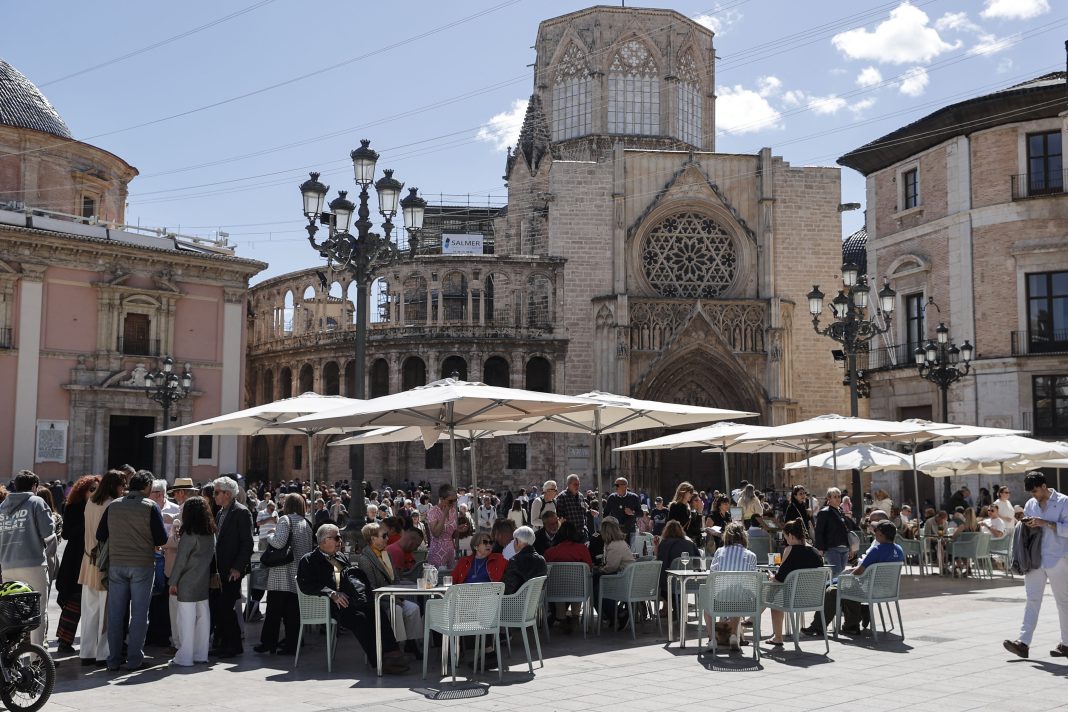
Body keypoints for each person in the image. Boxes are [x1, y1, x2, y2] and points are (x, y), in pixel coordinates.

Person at [296, 524, 409, 674]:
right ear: (323, 540)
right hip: (331, 605)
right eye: (336, 538)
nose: (340, 541)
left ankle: (392, 653)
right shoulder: (309, 560)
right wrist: (331, 593)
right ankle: (379, 661)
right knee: (360, 619)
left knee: (376, 610)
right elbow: (306, 585)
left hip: (352, 599)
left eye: (340, 538)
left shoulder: (341, 556)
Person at [96, 469, 167, 671]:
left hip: (117, 565)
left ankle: (113, 659)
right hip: (142, 565)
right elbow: (161, 538)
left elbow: (101, 534)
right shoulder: (150, 506)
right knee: (139, 614)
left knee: (115, 614)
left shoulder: (114, 505)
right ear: (147, 486)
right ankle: (134, 659)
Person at [1003, 471, 1068, 660]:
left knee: (1063, 602)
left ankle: (1066, 644)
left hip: (1058, 557)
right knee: (1032, 599)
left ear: (1043, 486)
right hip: (1034, 558)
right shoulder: (1031, 504)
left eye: (1035, 491)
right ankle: (1023, 643)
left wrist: (1046, 523)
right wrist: (1027, 523)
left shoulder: (1064, 501)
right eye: (1031, 492)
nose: (1033, 495)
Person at [0, 469, 56, 648]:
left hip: (7, 565)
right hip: (33, 564)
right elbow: (48, 533)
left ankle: (12, 656)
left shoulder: (2, 506)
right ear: (34, 486)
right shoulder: (36, 502)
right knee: (38, 610)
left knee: (13, 612)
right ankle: (36, 657)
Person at [255, 493, 314, 655]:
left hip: (281, 573)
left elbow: (279, 542)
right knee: (292, 613)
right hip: (298, 574)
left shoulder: (285, 520)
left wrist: (270, 534)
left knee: (273, 612)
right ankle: (292, 644)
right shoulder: (306, 523)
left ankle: (268, 643)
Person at [78, 469, 125, 665]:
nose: (124, 489)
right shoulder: (112, 505)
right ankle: (102, 654)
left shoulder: (90, 502)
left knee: (89, 609)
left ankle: (86, 652)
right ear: (114, 486)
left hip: (87, 560)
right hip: (104, 562)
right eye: (122, 485)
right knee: (105, 610)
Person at [355, 522, 422, 654]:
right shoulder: (365, 559)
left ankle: (411, 643)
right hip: (379, 601)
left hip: (393, 596)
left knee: (414, 608)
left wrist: (398, 596)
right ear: (373, 539)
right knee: (396, 609)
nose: (388, 538)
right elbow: (372, 589)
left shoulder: (386, 554)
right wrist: (392, 599)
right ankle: (396, 648)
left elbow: (395, 579)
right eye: (384, 536)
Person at [168, 495, 216, 667]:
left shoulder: (189, 534)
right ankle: (200, 654)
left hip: (187, 582)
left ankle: (185, 657)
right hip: (203, 580)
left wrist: (173, 582)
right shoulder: (210, 533)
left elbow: (180, 561)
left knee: (185, 621)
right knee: (203, 618)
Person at [833, 520, 905, 635]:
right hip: (889, 591)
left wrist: (846, 577)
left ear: (880, 534)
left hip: (871, 591)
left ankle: (851, 623)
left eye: (876, 531)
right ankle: (860, 613)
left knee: (840, 588)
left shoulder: (877, 550)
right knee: (841, 586)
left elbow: (859, 571)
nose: (875, 533)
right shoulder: (899, 549)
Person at [211, 476, 254, 658]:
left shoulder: (241, 512)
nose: (214, 496)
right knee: (221, 608)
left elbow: (247, 543)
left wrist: (237, 567)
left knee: (226, 608)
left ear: (227, 494)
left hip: (232, 570)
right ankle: (224, 643)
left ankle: (234, 645)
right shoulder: (221, 512)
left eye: (216, 492)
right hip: (220, 570)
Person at [54, 475, 97, 654]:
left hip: (92, 557)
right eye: (92, 489)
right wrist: (87, 521)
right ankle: (64, 640)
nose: (94, 493)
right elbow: (66, 533)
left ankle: (89, 642)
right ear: (83, 491)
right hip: (75, 558)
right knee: (74, 598)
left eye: (97, 490)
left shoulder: (100, 507)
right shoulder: (73, 507)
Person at [767, 519, 826, 645]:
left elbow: (779, 578)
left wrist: (771, 577)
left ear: (791, 536)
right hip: (815, 599)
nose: (786, 541)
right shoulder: (816, 552)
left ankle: (778, 638)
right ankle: (752, 620)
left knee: (773, 596)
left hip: (793, 599)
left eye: (785, 537)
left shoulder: (790, 550)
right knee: (774, 591)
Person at [707, 522, 757, 651]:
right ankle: (734, 635)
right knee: (739, 595)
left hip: (719, 601)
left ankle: (712, 639)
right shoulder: (751, 555)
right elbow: (752, 580)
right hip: (745, 604)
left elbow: (712, 575)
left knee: (706, 604)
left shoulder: (719, 552)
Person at [544, 521, 592, 633]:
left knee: (558, 583)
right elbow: (589, 568)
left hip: (556, 590)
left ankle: (561, 618)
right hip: (578, 589)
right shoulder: (582, 549)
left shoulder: (550, 552)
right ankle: (575, 616)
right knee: (580, 582)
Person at [592, 517, 633, 630]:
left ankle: (616, 614)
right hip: (626, 577)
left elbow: (611, 567)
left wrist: (599, 570)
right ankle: (613, 614)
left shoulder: (614, 545)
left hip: (624, 580)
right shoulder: (619, 542)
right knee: (597, 583)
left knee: (597, 588)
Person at [655, 520, 699, 602]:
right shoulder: (690, 544)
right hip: (689, 582)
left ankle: (667, 606)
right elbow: (698, 562)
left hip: (670, 584)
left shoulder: (664, 544)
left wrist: (656, 547)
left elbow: (660, 563)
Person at [815, 487, 851, 577]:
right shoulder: (824, 512)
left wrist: (850, 547)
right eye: (835, 497)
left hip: (844, 548)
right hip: (832, 548)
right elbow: (819, 531)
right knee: (837, 574)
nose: (838, 499)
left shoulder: (840, 511)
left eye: (839, 496)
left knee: (841, 575)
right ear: (829, 498)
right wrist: (820, 549)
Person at [427, 484, 459, 569]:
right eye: (450, 500)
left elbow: (451, 535)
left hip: (450, 551)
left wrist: (460, 530)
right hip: (437, 551)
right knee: (440, 575)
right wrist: (444, 514)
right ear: (441, 499)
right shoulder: (433, 511)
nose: (453, 503)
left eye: (455, 500)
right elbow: (436, 533)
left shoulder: (453, 511)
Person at [603, 477, 641, 543]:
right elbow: (605, 514)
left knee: (630, 549)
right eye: (615, 485)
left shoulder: (634, 497)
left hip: (630, 531)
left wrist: (632, 512)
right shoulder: (612, 497)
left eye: (617, 485)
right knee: (616, 549)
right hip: (615, 531)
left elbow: (641, 513)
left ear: (625, 486)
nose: (615, 487)